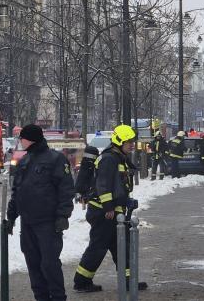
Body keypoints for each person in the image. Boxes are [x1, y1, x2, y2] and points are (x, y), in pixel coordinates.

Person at [74, 125, 147, 293]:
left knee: (122, 246)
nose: (132, 145)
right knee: (98, 248)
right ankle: (81, 281)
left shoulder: (118, 157)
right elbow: (103, 185)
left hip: (114, 211)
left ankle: (129, 280)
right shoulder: (109, 159)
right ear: (119, 141)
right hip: (104, 212)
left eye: (132, 142)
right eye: (129, 142)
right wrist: (109, 207)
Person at [7, 124, 75, 301]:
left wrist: (63, 215)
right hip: (28, 223)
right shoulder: (24, 161)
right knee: (33, 264)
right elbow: (17, 191)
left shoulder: (55, 159)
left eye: (21, 138)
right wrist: (11, 216)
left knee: (49, 264)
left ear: (29, 139)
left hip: (48, 223)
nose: (20, 141)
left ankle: (58, 297)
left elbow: (66, 189)